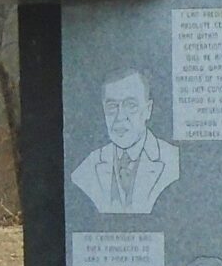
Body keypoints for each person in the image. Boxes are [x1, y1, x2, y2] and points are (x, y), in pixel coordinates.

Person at [70, 69, 179, 214]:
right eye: (112, 107)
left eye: (131, 105)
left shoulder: (173, 161)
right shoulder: (88, 167)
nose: (120, 116)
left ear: (148, 110)